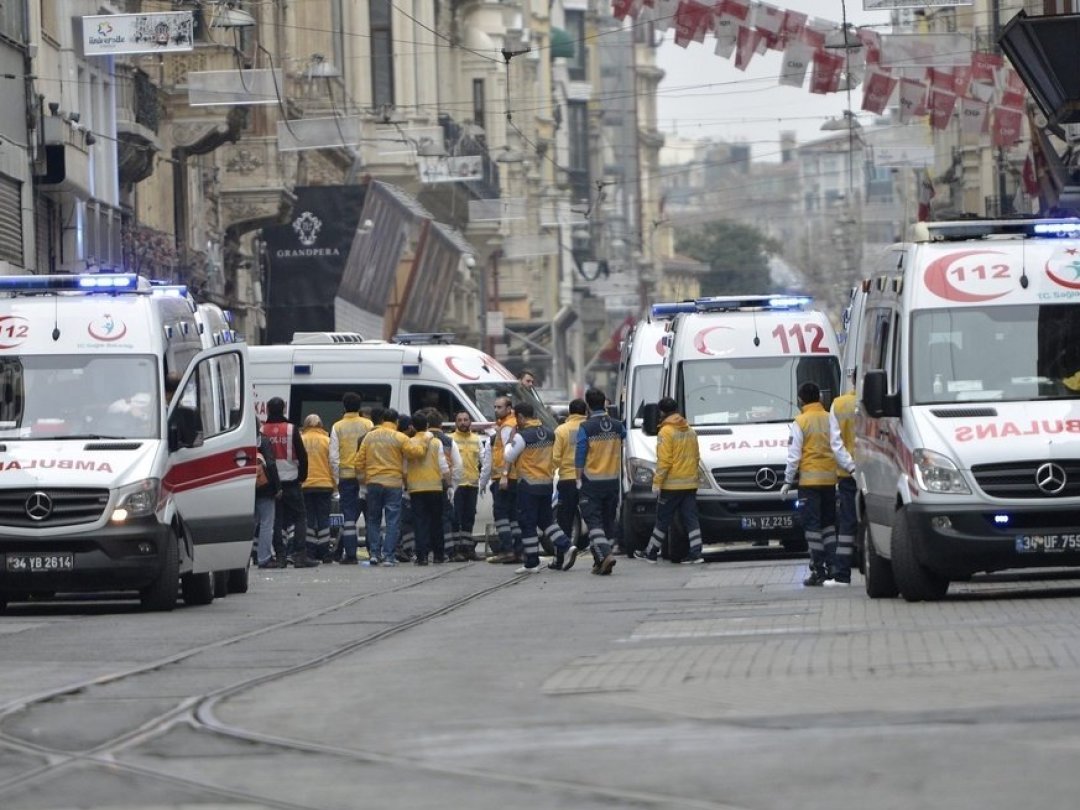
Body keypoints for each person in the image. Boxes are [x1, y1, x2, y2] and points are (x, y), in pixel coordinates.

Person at [780, 382, 844, 587]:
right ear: (820, 398)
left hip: (809, 483)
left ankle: (818, 570)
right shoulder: (829, 418)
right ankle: (833, 566)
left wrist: (788, 481)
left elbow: (794, 455)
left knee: (812, 527)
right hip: (829, 481)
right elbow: (837, 446)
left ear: (800, 400)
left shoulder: (801, 421)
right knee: (828, 527)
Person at [503, 401, 574, 573]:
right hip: (546, 484)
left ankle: (532, 562)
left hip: (528, 485)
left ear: (520, 416)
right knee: (546, 520)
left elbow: (509, 456)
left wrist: (509, 440)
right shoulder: (549, 433)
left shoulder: (522, 436)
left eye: (516, 418)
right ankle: (565, 545)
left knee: (527, 522)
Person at [634, 397, 704, 565]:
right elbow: (696, 457)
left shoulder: (666, 432)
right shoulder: (690, 430)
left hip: (672, 485)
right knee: (691, 519)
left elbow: (664, 461)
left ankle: (651, 552)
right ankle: (696, 553)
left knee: (662, 519)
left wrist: (657, 482)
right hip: (689, 483)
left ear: (662, 412)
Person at [575, 388, 626, 575]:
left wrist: (578, 478)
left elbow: (580, 453)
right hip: (612, 480)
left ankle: (605, 554)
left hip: (592, 481)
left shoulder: (586, 427)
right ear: (604, 402)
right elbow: (626, 438)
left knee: (593, 521)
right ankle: (600, 562)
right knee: (608, 521)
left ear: (587, 404)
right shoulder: (617, 425)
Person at [262, 397, 317, 567]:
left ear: (268, 410)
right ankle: (300, 555)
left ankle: (280, 556)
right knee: (300, 516)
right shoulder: (291, 429)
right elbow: (302, 455)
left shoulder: (262, 429)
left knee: (277, 520)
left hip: (271, 482)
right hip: (291, 480)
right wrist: (302, 477)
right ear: (284, 409)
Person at [353, 407, 409, 566]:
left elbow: (358, 462)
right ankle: (389, 556)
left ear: (383, 420)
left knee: (373, 519)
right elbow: (414, 453)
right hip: (393, 483)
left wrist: (363, 479)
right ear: (397, 422)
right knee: (392, 520)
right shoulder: (400, 437)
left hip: (374, 484)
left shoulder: (369, 437)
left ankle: (374, 554)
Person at [329, 393, 374, 564]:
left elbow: (333, 457)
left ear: (344, 406)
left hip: (346, 477)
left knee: (348, 518)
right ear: (359, 406)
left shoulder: (337, 427)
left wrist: (337, 478)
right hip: (365, 477)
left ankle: (350, 554)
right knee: (371, 515)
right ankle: (373, 550)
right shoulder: (368, 424)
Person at [403, 412, 451, 565]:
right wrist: (448, 485)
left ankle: (422, 556)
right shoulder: (436, 442)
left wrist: (406, 486)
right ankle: (438, 554)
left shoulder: (409, 443)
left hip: (416, 488)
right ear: (428, 426)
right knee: (436, 522)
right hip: (435, 487)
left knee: (420, 522)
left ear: (412, 427)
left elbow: (404, 469)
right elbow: (444, 466)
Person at [827, 380, 858, 586]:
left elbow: (836, 444)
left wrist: (852, 467)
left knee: (847, 523)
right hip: (878, 472)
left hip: (849, 476)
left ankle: (843, 575)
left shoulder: (839, 404)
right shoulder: (878, 400)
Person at [421, 407, 462, 562]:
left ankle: (426, 550)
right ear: (441, 423)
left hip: (422, 484)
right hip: (443, 485)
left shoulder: (420, 439)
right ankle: (447, 550)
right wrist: (453, 485)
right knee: (443, 519)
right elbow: (458, 466)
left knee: (424, 519)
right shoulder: (449, 441)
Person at [449, 409, 490, 561]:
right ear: (455, 423)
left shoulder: (477, 439)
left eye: (466, 420)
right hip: (457, 485)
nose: (463, 423)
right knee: (456, 518)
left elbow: (484, 459)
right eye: (460, 420)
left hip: (472, 484)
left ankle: (467, 549)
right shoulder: (450, 439)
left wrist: (483, 480)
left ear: (470, 422)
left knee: (469, 517)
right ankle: (456, 549)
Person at [486, 396, 522, 564]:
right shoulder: (508, 425)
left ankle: (507, 550)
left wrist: (504, 475)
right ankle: (517, 550)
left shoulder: (508, 426)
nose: (496, 410)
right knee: (513, 516)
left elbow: (509, 452)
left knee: (501, 514)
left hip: (505, 478)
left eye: (499, 407)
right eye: (495, 407)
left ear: (509, 409)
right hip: (512, 477)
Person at [552, 398, 587, 551]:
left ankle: (562, 555)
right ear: (585, 412)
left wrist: (549, 473)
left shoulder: (561, 430)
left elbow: (555, 458)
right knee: (593, 518)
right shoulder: (589, 428)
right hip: (588, 479)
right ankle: (601, 555)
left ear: (570, 412)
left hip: (567, 480)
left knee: (565, 519)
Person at [300, 414, 335, 563]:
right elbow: (333, 463)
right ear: (321, 425)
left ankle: (310, 551)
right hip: (324, 485)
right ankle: (325, 552)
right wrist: (335, 484)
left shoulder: (301, 440)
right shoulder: (327, 441)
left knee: (308, 520)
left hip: (305, 485)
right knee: (323, 520)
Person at [254, 421, 283, 568]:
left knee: (250, 525)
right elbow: (270, 464)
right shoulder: (263, 440)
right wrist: (277, 487)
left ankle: (243, 558)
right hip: (264, 488)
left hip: (245, 488)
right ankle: (264, 558)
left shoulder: (240, 442)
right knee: (266, 523)